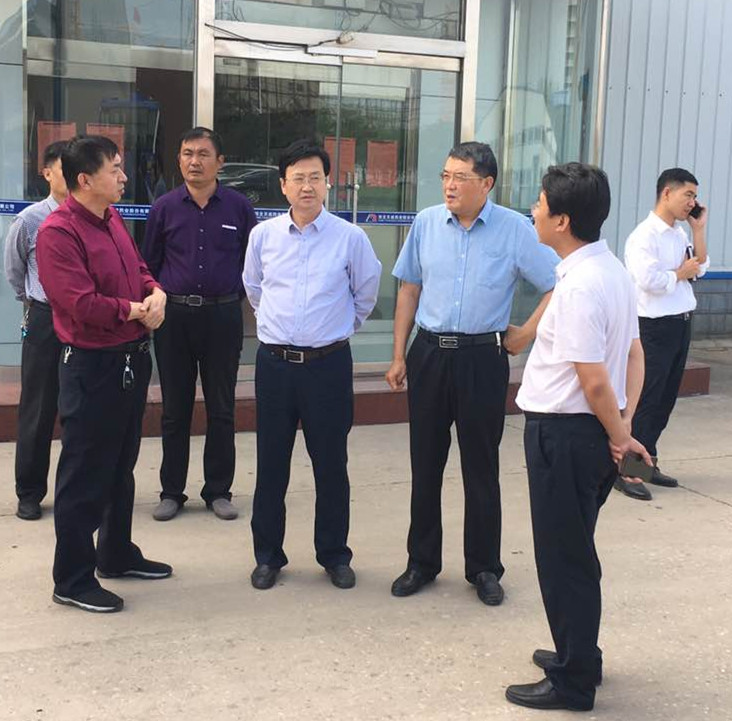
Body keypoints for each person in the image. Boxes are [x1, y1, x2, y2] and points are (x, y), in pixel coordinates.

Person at [386, 142, 558, 606]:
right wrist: (398, 355)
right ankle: (421, 562)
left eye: (460, 177)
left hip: (482, 358)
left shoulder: (515, 229)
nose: (449, 185)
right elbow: (408, 290)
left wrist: (526, 333)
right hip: (429, 355)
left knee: (480, 466)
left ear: (486, 184)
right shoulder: (426, 223)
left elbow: (559, 282)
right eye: (445, 175)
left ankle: (484, 567)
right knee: (425, 463)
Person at [506, 162, 651, 711]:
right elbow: (633, 356)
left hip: (565, 436)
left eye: (540, 204)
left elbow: (592, 380)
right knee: (575, 551)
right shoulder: (609, 271)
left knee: (564, 560)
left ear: (563, 220)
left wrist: (619, 435)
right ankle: (578, 653)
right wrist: (623, 425)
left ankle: (573, 682)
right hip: (589, 433)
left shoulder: (581, 287)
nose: (534, 212)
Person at [37, 135, 172, 613]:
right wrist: (136, 310)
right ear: (84, 179)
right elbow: (79, 303)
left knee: (120, 465)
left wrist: (155, 292)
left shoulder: (111, 218)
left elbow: (138, 268)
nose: (123, 177)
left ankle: (115, 553)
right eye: (114, 169)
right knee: (84, 473)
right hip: (92, 366)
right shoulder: (58, 233)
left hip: (131, 360)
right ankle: (72, 578)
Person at [242, 140, 381, 591]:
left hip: (328, 365)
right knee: (271, 464)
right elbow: (254, 288)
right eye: (298, 178)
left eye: (315, 177)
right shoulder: (263, 236)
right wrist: (280, 329)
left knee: (331, 463)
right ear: (283, 185)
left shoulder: (350, 238)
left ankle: (334, 555)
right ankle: (268, 556)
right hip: (275, 366)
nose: (307, 186)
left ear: (328, 183)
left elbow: (365, 294)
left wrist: (334, 328)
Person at [141, 127, 257, 523]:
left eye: (203, 154)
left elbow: (254, 264)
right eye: (187, 153)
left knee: (222, 407)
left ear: (219, 162)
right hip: (174, 318)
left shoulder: (239, 208)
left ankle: (218, 491)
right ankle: (171, 491)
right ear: (179, 160)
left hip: (223, 317)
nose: (195, 161)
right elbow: (149, 265)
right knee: (175, 409)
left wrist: (240, 301)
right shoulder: (164, 207)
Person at [615, 168, 709, 501]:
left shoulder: (679, 234)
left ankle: (647, 462)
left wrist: (698, 230)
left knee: (665, 399)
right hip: (653, 326)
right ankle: (627, 471)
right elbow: (648, 281)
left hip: (680, 322)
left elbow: (700, 266)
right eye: (688, 195)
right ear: (667, 193)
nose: (692, 203)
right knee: (646, 399)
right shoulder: (644, 236)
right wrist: (679, 273)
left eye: (695, 197)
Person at [4, 140, 69, 521]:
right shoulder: (30, 220)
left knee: (79, 408)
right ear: (46, 173)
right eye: (63, 168)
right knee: (38, 408)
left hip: (82, 321)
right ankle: (29, 491)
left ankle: (74, 489)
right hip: (44, 318)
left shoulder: (94, 216)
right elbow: (14, 272)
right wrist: (33, 301)